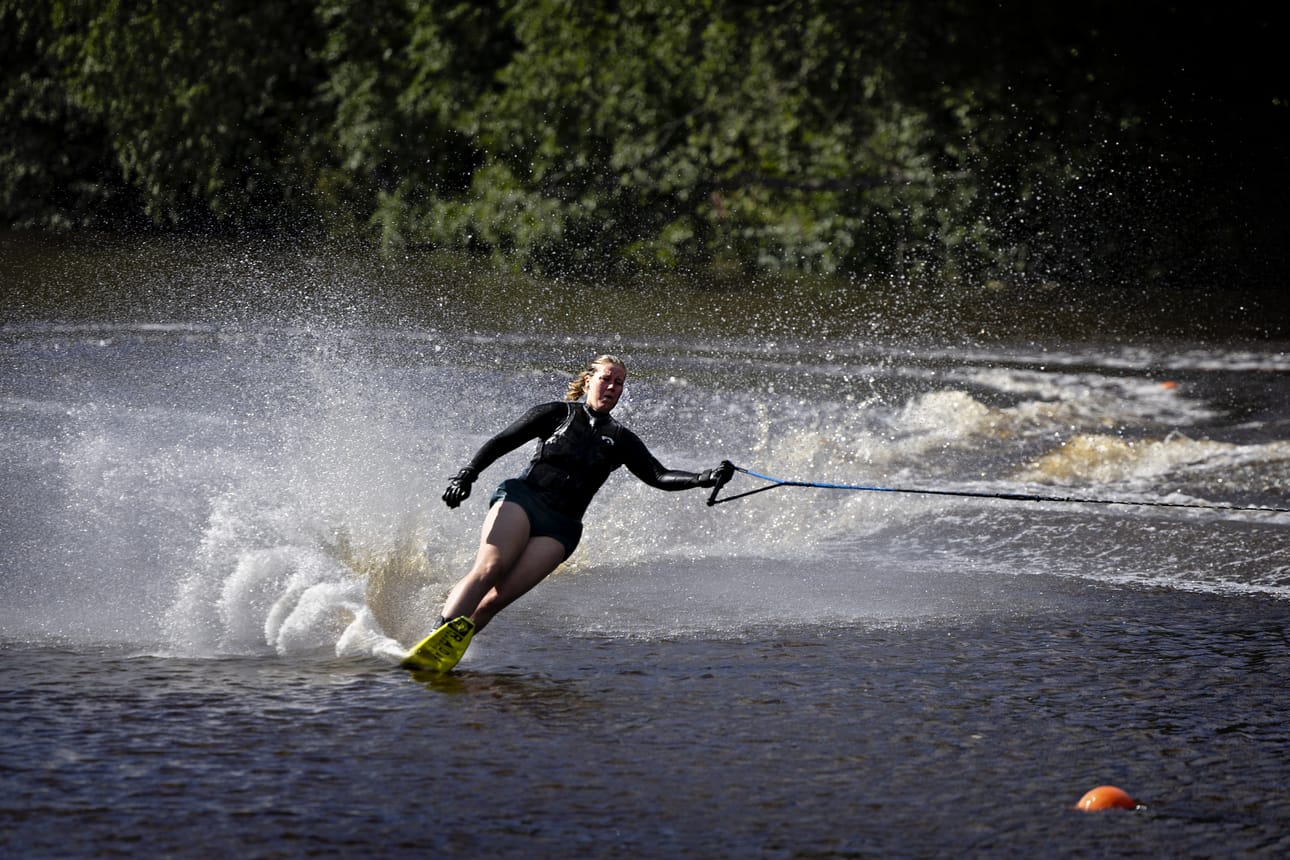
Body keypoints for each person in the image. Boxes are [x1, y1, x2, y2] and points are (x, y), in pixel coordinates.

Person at [404, 354, 731, 671]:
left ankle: (445, 650)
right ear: (589, 381)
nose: (612, 387)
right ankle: (439, 630)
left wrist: (703, 478)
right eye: (606, 379)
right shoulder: (555, 414)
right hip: (523, 500)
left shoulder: (620, 439)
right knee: (492, 566)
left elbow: (658, 475)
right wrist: (466, 475)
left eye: (619, 383)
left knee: (494, 601)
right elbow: (501, 441)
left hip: (561, 527)